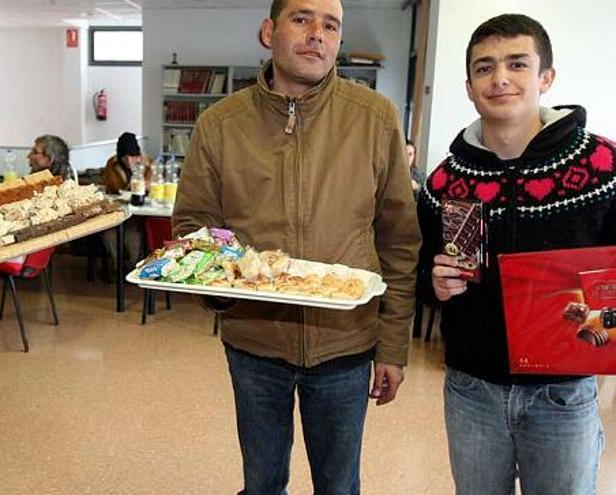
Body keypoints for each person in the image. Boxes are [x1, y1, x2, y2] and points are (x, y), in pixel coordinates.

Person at [172, 0, 421, 493]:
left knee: (338, 485)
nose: (317, 35)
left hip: (346, 345)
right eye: (302, 19)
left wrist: (393, 345)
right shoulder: (220, 124)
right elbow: (196, 225)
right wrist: (222, 289)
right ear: (268, 31)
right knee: (261, 483)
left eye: (331, 26)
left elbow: (399, 239)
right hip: (255, 343)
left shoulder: (375, 118)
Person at [417, 13, 614, 494]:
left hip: (564, 393)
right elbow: (420, 273)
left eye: (517, 64)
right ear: (468, 86)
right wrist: (434, 283)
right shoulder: (444, 181)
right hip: (471, 389)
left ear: (546, 77)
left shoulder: (603, 167)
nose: (500, 78)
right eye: (484, 68)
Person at [102, 132, 147, 266]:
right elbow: (113, 187)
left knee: (132, 236)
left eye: (132, 156)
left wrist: (138, 173)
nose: (128, 161)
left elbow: (151, 186)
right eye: (125, 157)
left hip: (138, 214)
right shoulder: (112, 164)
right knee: (110, 235)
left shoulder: (147, 163)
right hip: (118, 209)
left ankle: (134, 266)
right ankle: (119, 267)